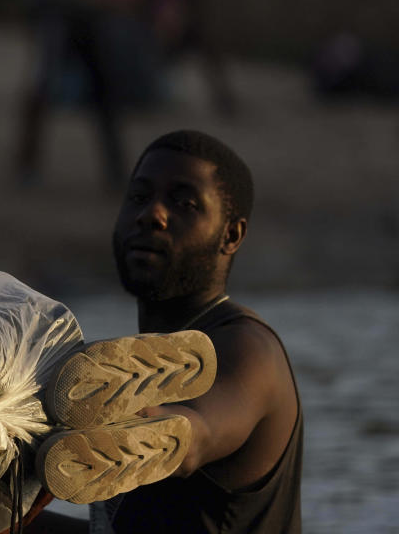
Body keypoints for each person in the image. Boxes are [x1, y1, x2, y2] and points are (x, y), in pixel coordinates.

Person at [95, 129, 302, 532]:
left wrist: (81, 408)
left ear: (231, 235)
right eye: (139, 197)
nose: (151, 214)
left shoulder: (248, 350)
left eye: (183, 203)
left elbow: (191, 436)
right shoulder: (144, 359)